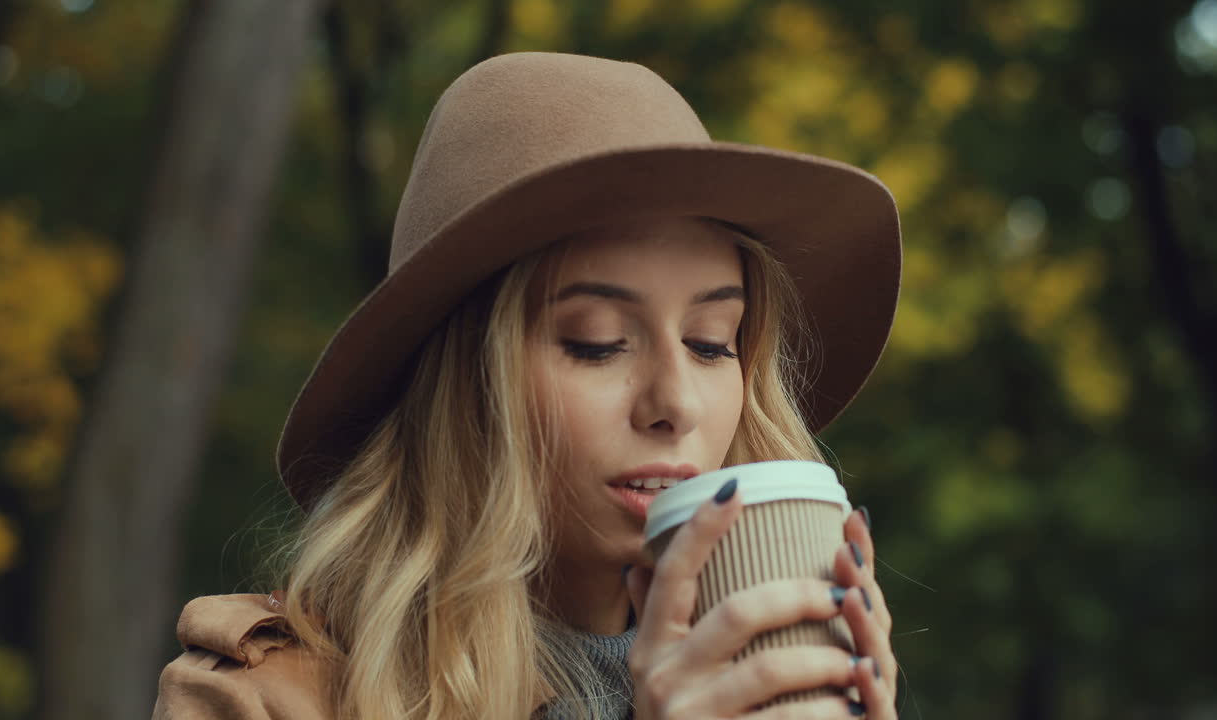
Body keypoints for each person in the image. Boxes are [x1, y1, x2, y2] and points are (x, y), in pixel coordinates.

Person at [152, 52, 903, 720]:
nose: (675, 403)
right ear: (463, 385)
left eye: (710, 344)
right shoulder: (261, 699)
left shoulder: (792, 682)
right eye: (596, 343)